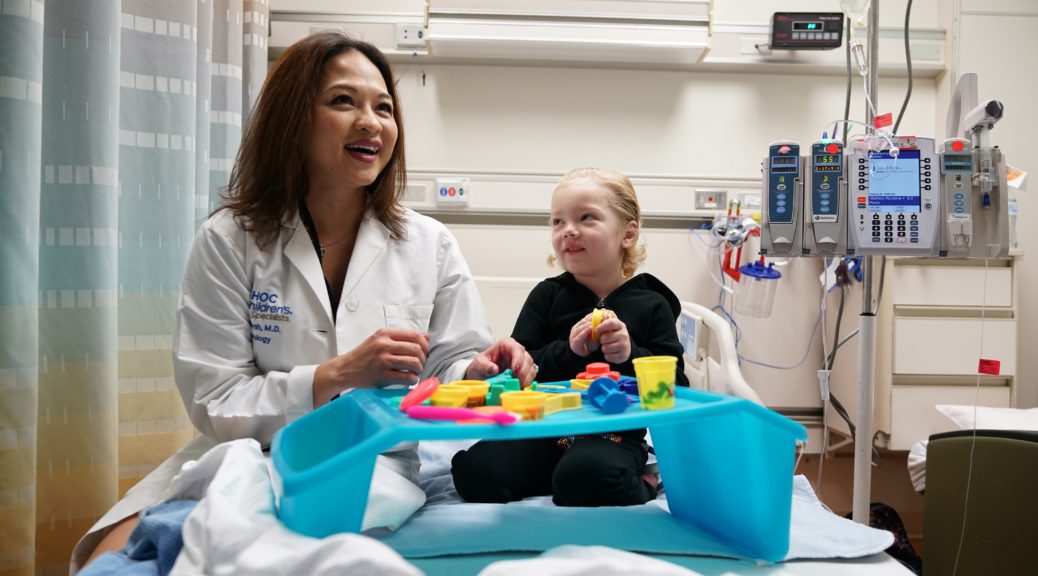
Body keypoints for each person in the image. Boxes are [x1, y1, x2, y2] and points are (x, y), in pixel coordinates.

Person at [73, 32, 535, 570]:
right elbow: (215, 397)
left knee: (243, 536)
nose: (371, 122)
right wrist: (335, 375)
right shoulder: (231, 239)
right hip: (246, 449)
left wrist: (477, 373)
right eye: (344, 101)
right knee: (111, 549)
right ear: (294, 118)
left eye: (383, 108)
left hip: (372, 462)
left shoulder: (429, 244)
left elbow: (449, 369)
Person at [450, 168, 689, 507]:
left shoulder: (653, 304)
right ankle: (563, 475)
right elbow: (520, 374)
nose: (568, 231)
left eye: (586, 218)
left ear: (628, 233)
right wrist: (570, 351)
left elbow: (677, 385)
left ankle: (647, 481)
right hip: (542, 430)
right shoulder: (547, 297)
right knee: (476, 473)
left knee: (588, 476)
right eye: (558, 221)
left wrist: (629, 354)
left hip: (612, 434)